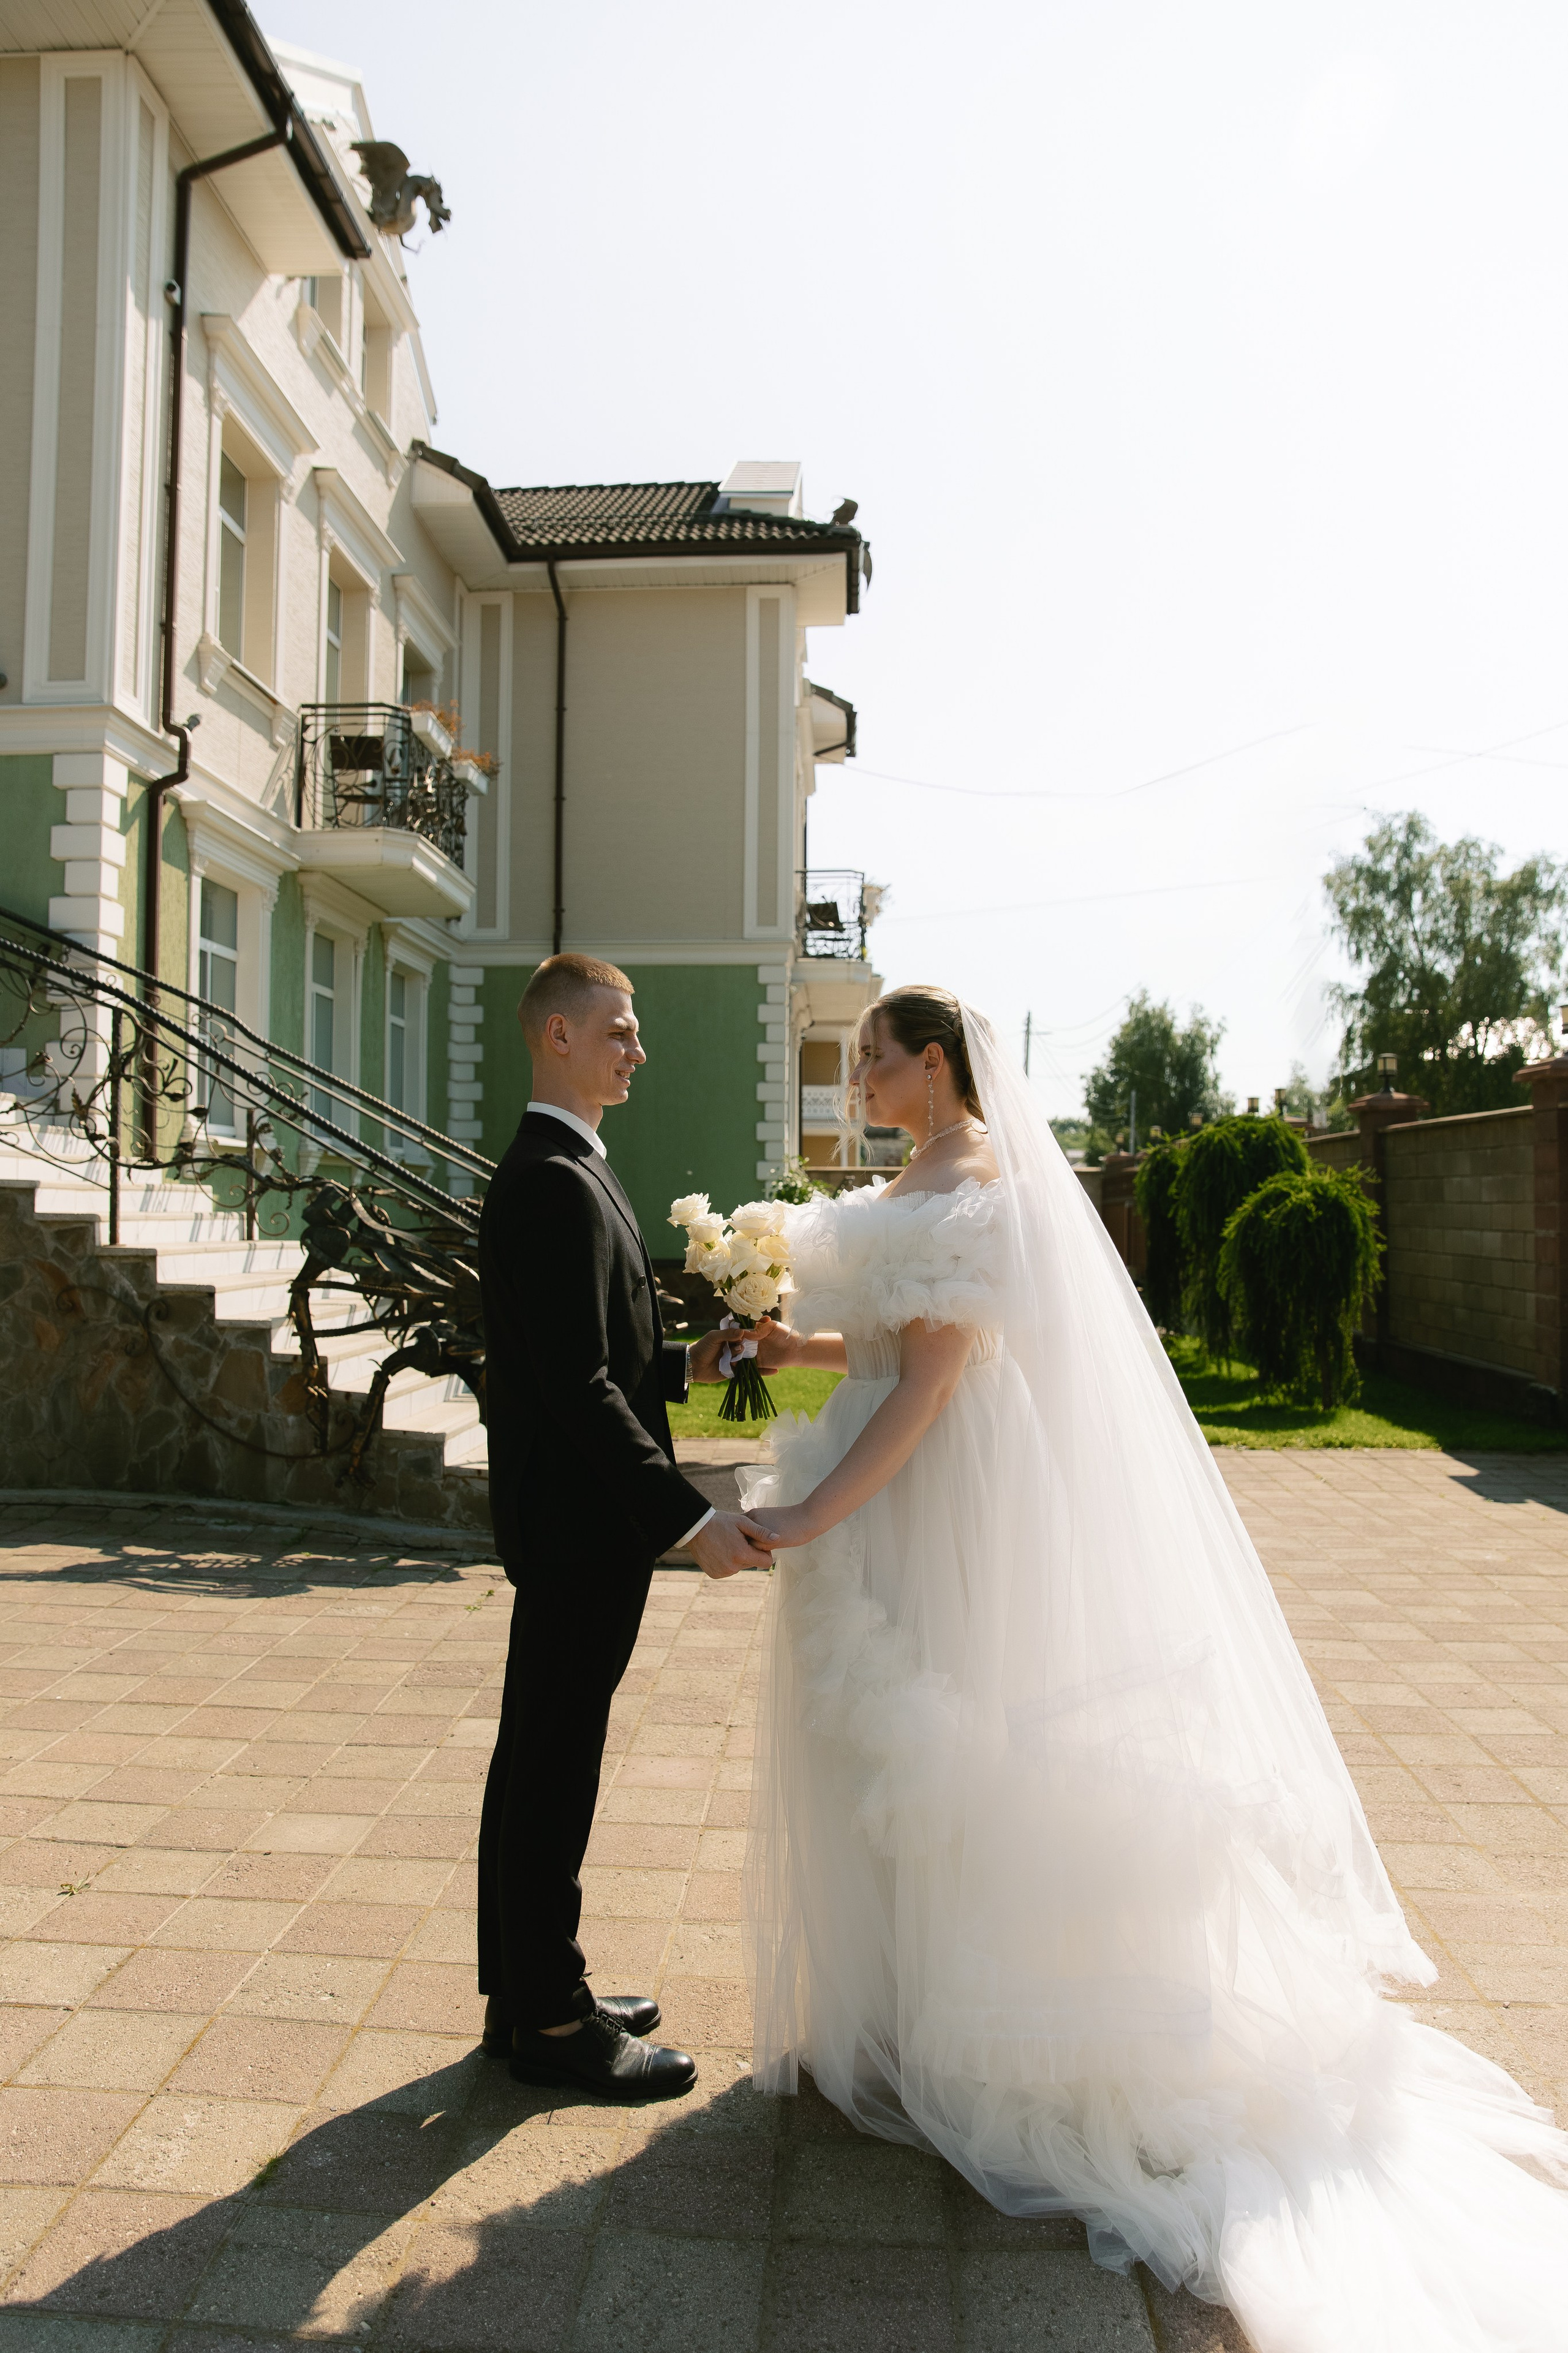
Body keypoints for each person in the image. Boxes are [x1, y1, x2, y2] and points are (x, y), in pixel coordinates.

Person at [741, 983, 1568, 2353]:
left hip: (947, 1500)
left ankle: (993, 2032)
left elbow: (935, 1380)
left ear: (932, 1065)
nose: (857, 1075)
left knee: (964, 1746)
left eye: (872, 1057)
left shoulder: (983, 1188)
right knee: (897, 1750)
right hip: (896, 1487)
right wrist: (793, 1346)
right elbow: (891, 1340)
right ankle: (898, 2015)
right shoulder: (915, 1175)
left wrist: (813, 1511)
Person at [477, 952, 774, 2101]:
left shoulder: (574, 1166)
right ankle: (551, 2022)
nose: (637, 1049)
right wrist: (686, 1517)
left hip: (577, 1526)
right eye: (619, 1030)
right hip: (577, 1527)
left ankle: (526, 1992)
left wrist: (688, 1361)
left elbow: (599, 1355)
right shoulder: (550, 1179)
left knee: (543, 1756)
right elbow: (573, 1390)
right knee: (553, 1765)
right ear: (556, 1034)